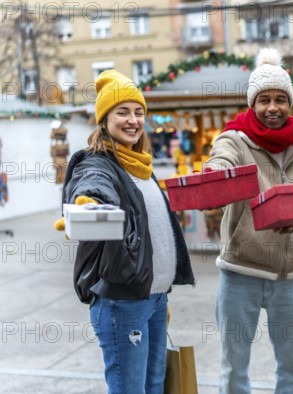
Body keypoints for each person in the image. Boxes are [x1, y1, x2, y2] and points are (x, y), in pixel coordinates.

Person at [55, 70, 195, 393]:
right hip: (122, 301)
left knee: (155, 386)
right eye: (122, 112)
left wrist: (159, 289)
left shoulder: (142, 164)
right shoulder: (98, 163)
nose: (132, 120)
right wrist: (89, 203)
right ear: (104, 120)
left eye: (138, 112)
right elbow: (94, 184)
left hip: (155, 298)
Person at [202, 47, 293, 394]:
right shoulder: (235, 140)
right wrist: (213, 173)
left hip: (290, 277)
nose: (272, 108)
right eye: (264, 99)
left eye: (281, 99)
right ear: (252, 104)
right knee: (235, 367)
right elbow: (220, 159)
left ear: (291, 103)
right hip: (241, 273)